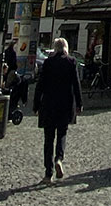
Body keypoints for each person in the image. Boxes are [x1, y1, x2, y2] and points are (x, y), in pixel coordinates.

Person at [33, 38, 83, 184]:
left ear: (55, 48)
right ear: (66, 48)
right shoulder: (71, 62)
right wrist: (79, 103)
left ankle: (48, 173)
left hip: (48, 105)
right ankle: (59, 159)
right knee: (62, 133)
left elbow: (40, 85)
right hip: (65, 105)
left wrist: (36, 105)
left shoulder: (48, 63)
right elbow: (76, 84)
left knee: (48, 139)